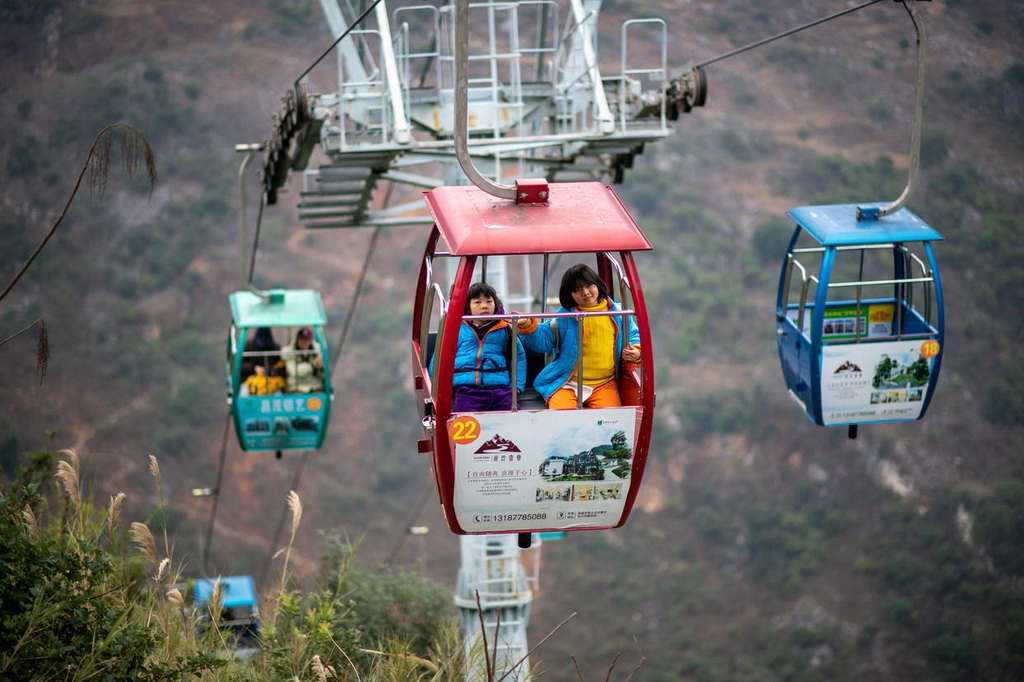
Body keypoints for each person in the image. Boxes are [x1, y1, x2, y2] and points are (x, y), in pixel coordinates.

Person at [517, 263, 640, 409]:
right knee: (562, 413)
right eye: (577, 290)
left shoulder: (618, 313)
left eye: (589, 286)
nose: (585, 292)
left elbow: (633, 335)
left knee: (610, 417)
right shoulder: (565, 316)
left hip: (604, 383)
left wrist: (637, 351)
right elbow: (542, 340)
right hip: (567, 382)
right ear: (569, 295)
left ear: (597, 284)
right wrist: (527, 324)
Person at [431, 281, 526, 412]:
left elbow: (518, 357)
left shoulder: (504, 329)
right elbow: (440, 357)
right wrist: (434, 386)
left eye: (489, 301)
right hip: (468, 390)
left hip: (500, 388)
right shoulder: (457, 330)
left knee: (513, 414)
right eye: (477, 302)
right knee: (465, 418)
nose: (484, 306)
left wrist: (516, 387)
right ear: (468, 308)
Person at [240, 327, 285, 395]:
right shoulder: (248, 346)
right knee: (244, 393)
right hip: (250, 380)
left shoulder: (275, 348)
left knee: (278, 394)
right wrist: (254, 368)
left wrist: (271, 370)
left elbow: (280, 366)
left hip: (270, 381)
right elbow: (240, 365)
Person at [282, 327, 324, 393]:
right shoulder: (289, 352)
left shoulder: (317, 350)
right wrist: (312, 365)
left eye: (307, 340)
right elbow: (294, 372)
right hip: (296, 388)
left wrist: (321, 365)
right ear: (297, 340)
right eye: (302, 339)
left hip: (315, 387)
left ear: (310, 341)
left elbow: (323, 374)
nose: (304, 342)